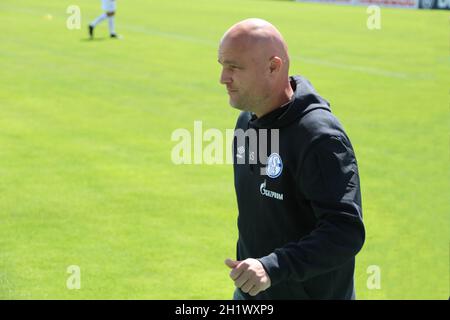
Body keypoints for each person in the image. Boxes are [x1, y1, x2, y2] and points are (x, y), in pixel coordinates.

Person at [218, 18, 365, 300]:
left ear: (273, 66)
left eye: (234, 67)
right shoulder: (247, 122)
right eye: (222, 65)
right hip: (253, 293)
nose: (223, 78)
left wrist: (272, 267)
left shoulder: (319, 138)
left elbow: (345, 232)